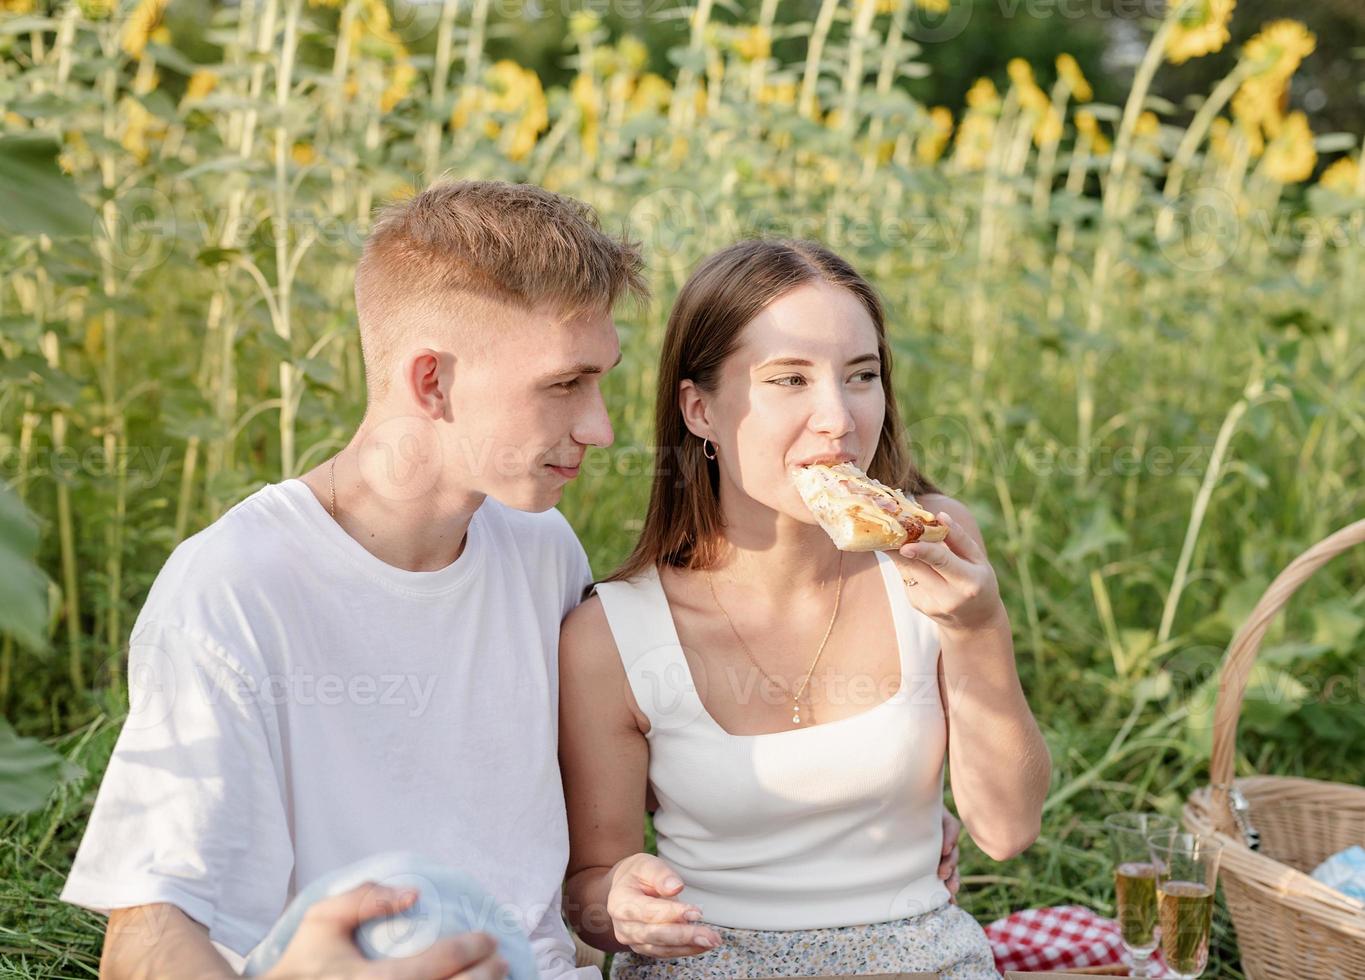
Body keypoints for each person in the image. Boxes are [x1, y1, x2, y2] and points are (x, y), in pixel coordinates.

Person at [59, 180, 646, 979]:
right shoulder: (234, 587)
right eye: (563, 384)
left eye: (600, 379)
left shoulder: (541, 546)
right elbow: (142, 942)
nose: (600, 427)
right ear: (431, 382)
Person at [558, 239, 1052, 978]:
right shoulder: (613, 636)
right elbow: (589, 895)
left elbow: (1007, 830)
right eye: (788, 379)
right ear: (698, 409)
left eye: (861, 376)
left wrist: (976, 628)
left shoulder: (931, 547)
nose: (838, 419)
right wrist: (624, 907)